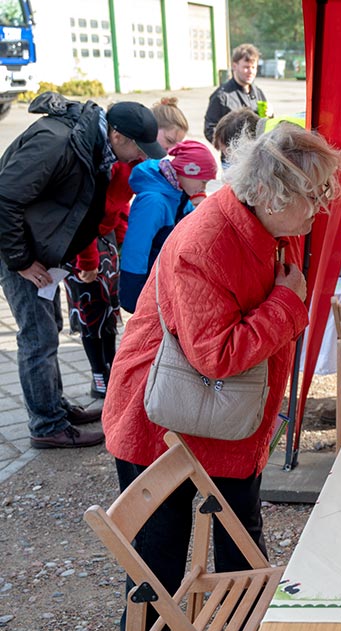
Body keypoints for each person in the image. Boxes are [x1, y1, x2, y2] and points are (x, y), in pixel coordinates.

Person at [102, 123, 341, 631]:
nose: (320, 210)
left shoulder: (273, 224)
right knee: (159, 559)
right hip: (161, 416)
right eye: (313, 196)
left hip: (228, 416)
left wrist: (284, 297)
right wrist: (286, 302)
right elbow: (217, 353)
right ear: (269, 194)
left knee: (240, 537)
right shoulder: (204, 242)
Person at [0, 93, 163, 450]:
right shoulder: (58, 142)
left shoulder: (94, 144)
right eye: (139, 148)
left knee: (49, 330)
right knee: (37, 337)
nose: (141, 157)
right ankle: (46, 425)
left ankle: (53, 407)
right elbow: (5, 197)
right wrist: (22, 261)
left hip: (41, 248)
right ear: (118, 136)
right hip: (21, 251)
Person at [65, 99, 190, 399]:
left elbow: (119, 208)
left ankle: (111, 374)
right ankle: (100, 377)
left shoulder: (139, 164)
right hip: (83, 244)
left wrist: (119, 238)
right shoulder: (113, 161)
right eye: (169, 141)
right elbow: (90, 213)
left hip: (104, 240)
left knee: (109, 313)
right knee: (91, 310)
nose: (171, 150)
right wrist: (91, 259)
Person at [119, 140, 218, 312]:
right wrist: (132, 290)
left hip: (162, 281)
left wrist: (199, 209)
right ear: (187, 172)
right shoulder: (154, 202)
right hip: (146, 283)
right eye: (202, 182)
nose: (203, 187)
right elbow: (136, 247)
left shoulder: (178, 193)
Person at [203, 43, 267, 144]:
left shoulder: (258, 93)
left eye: (253, 67)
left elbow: (265, 126)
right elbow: (210, 129)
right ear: (234, 66)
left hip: (256, 155)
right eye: (246, 67)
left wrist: (269, 116)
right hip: (232, 157)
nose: (250, 71)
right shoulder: (222, 96)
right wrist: (230, 147)